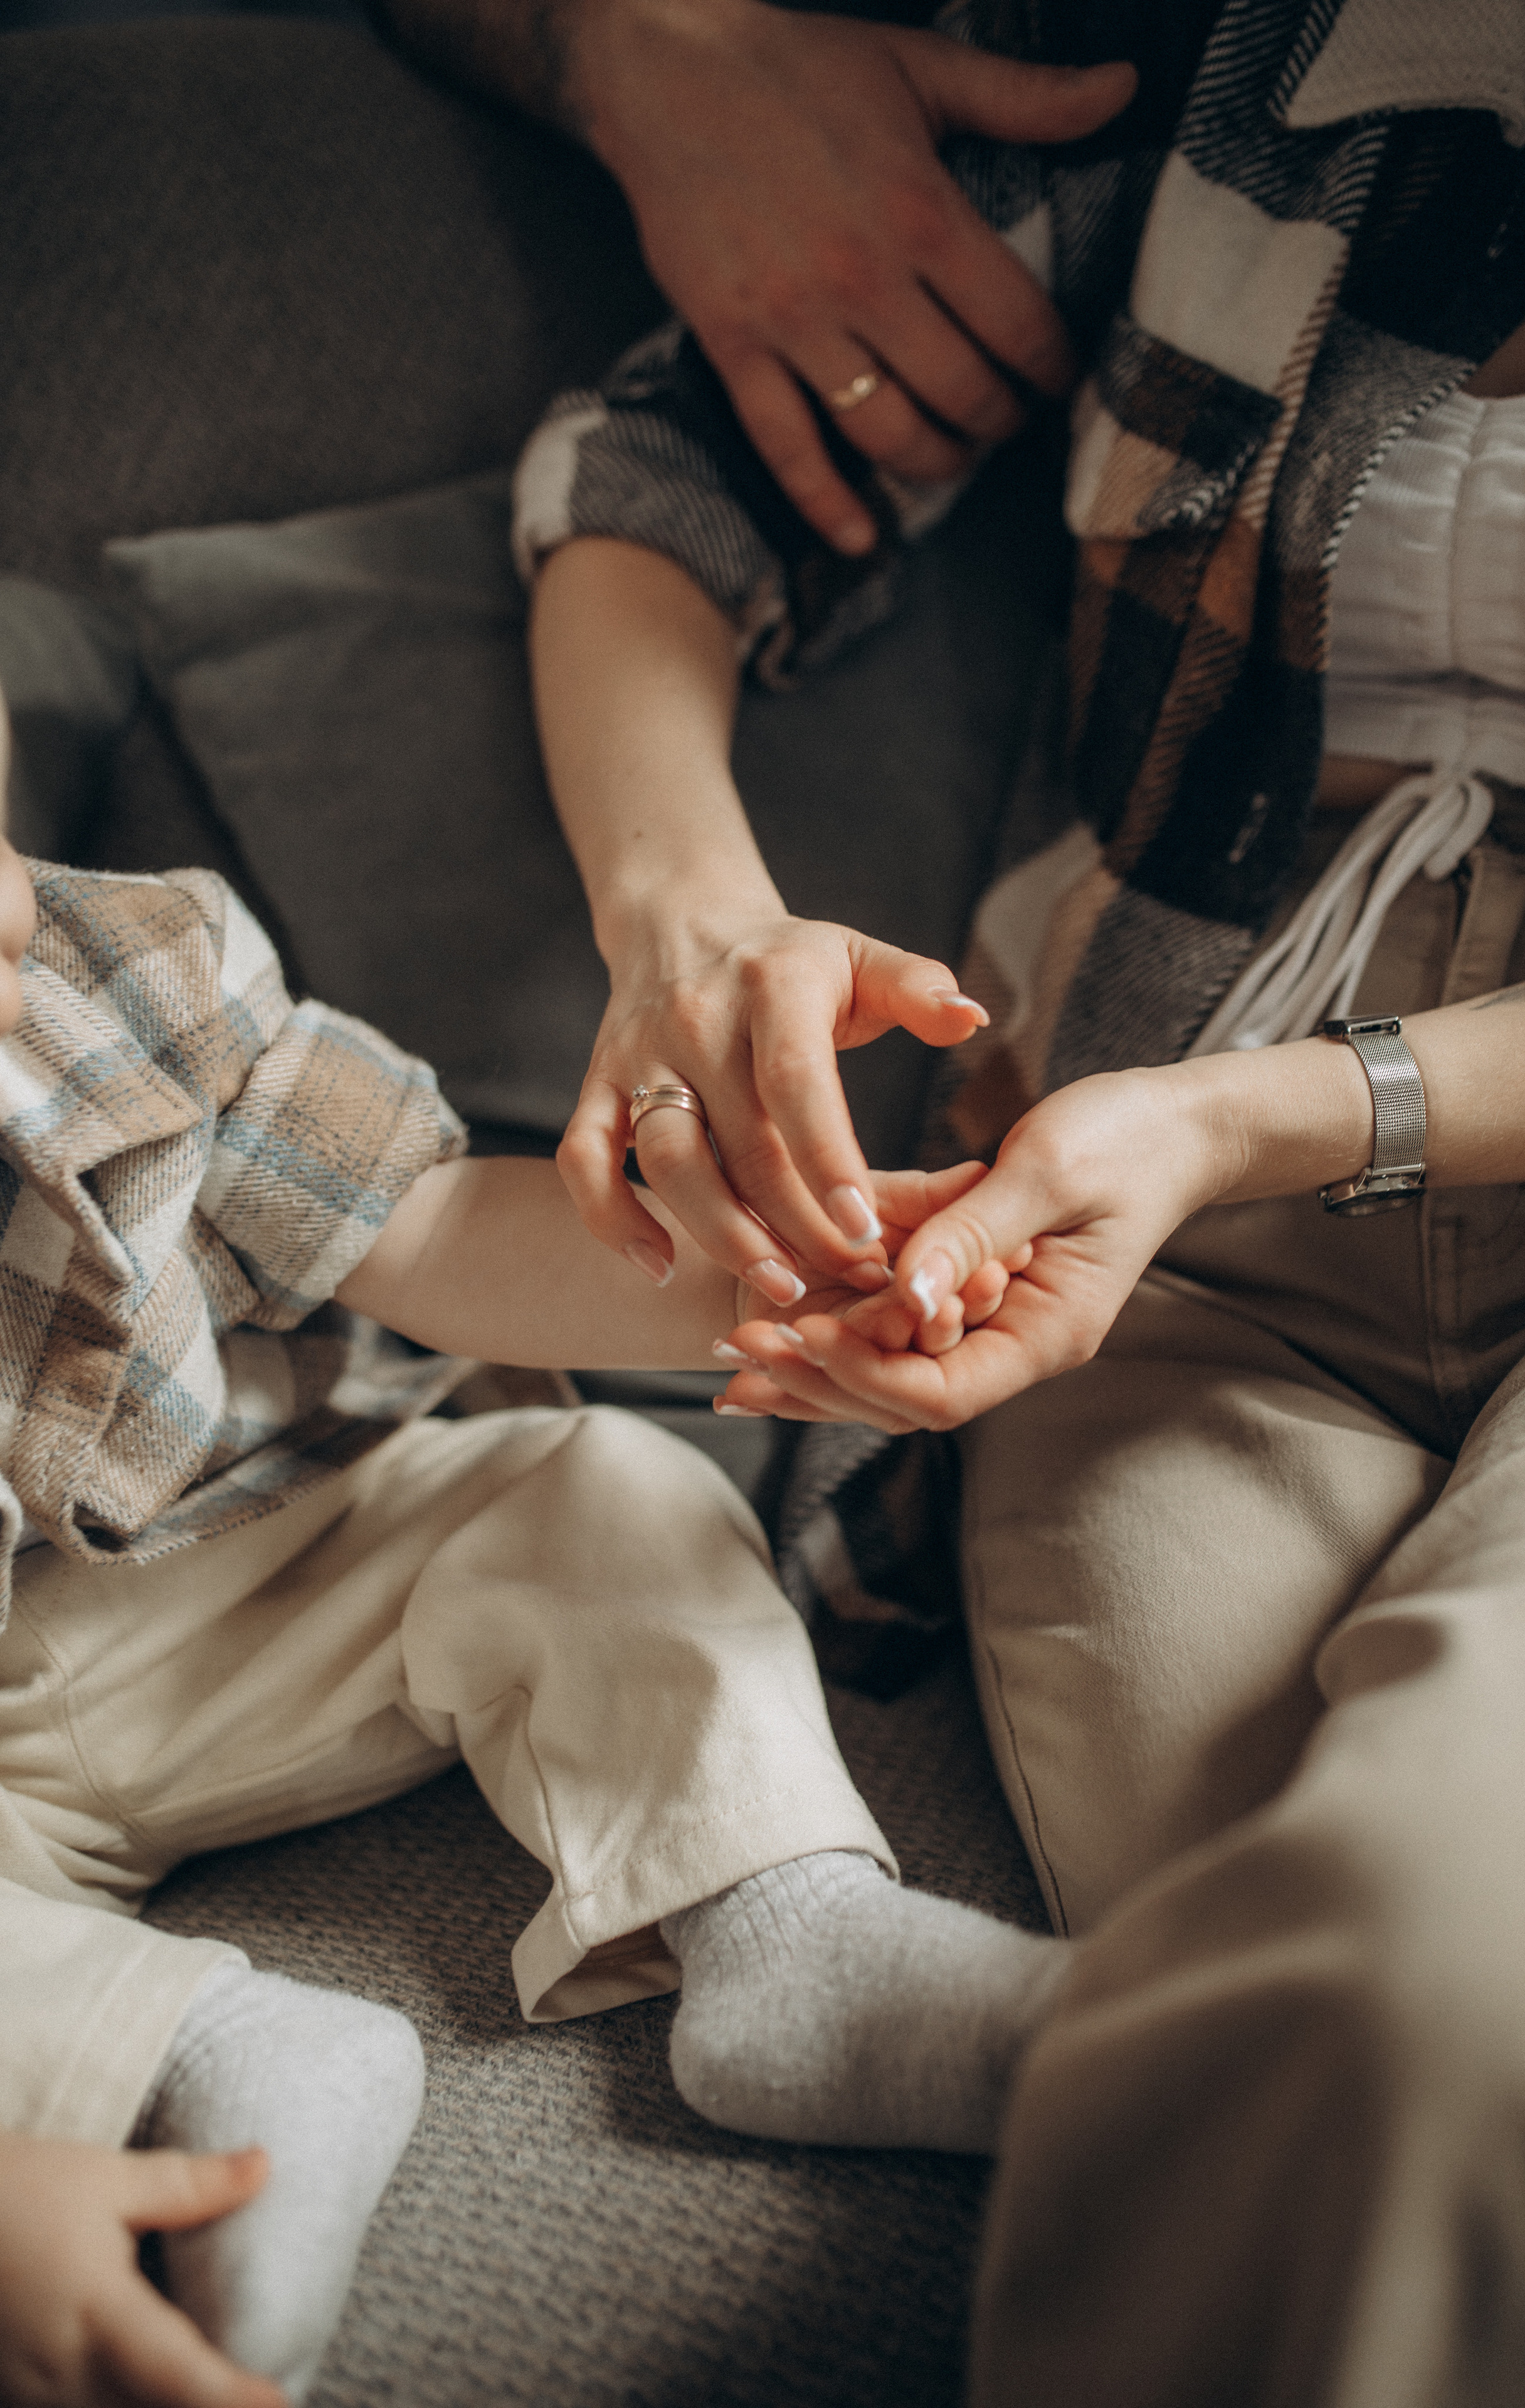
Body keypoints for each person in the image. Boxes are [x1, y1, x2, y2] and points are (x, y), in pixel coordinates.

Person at [516, 0, 1525, 2397]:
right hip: (1135, 1239)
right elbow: (654, 477)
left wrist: (1244, 1119)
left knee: (1450, 1975)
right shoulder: (1250, 76)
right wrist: (688, 926)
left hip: (1278, 1147)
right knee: (1275, 2008)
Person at [0, 689, 1072, 2408]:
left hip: (217, 1580)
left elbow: (425, 1231)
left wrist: (792, 1277)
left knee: (593, 1484)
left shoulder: (117, 970)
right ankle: (220, 2049)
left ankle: (783, 1926)